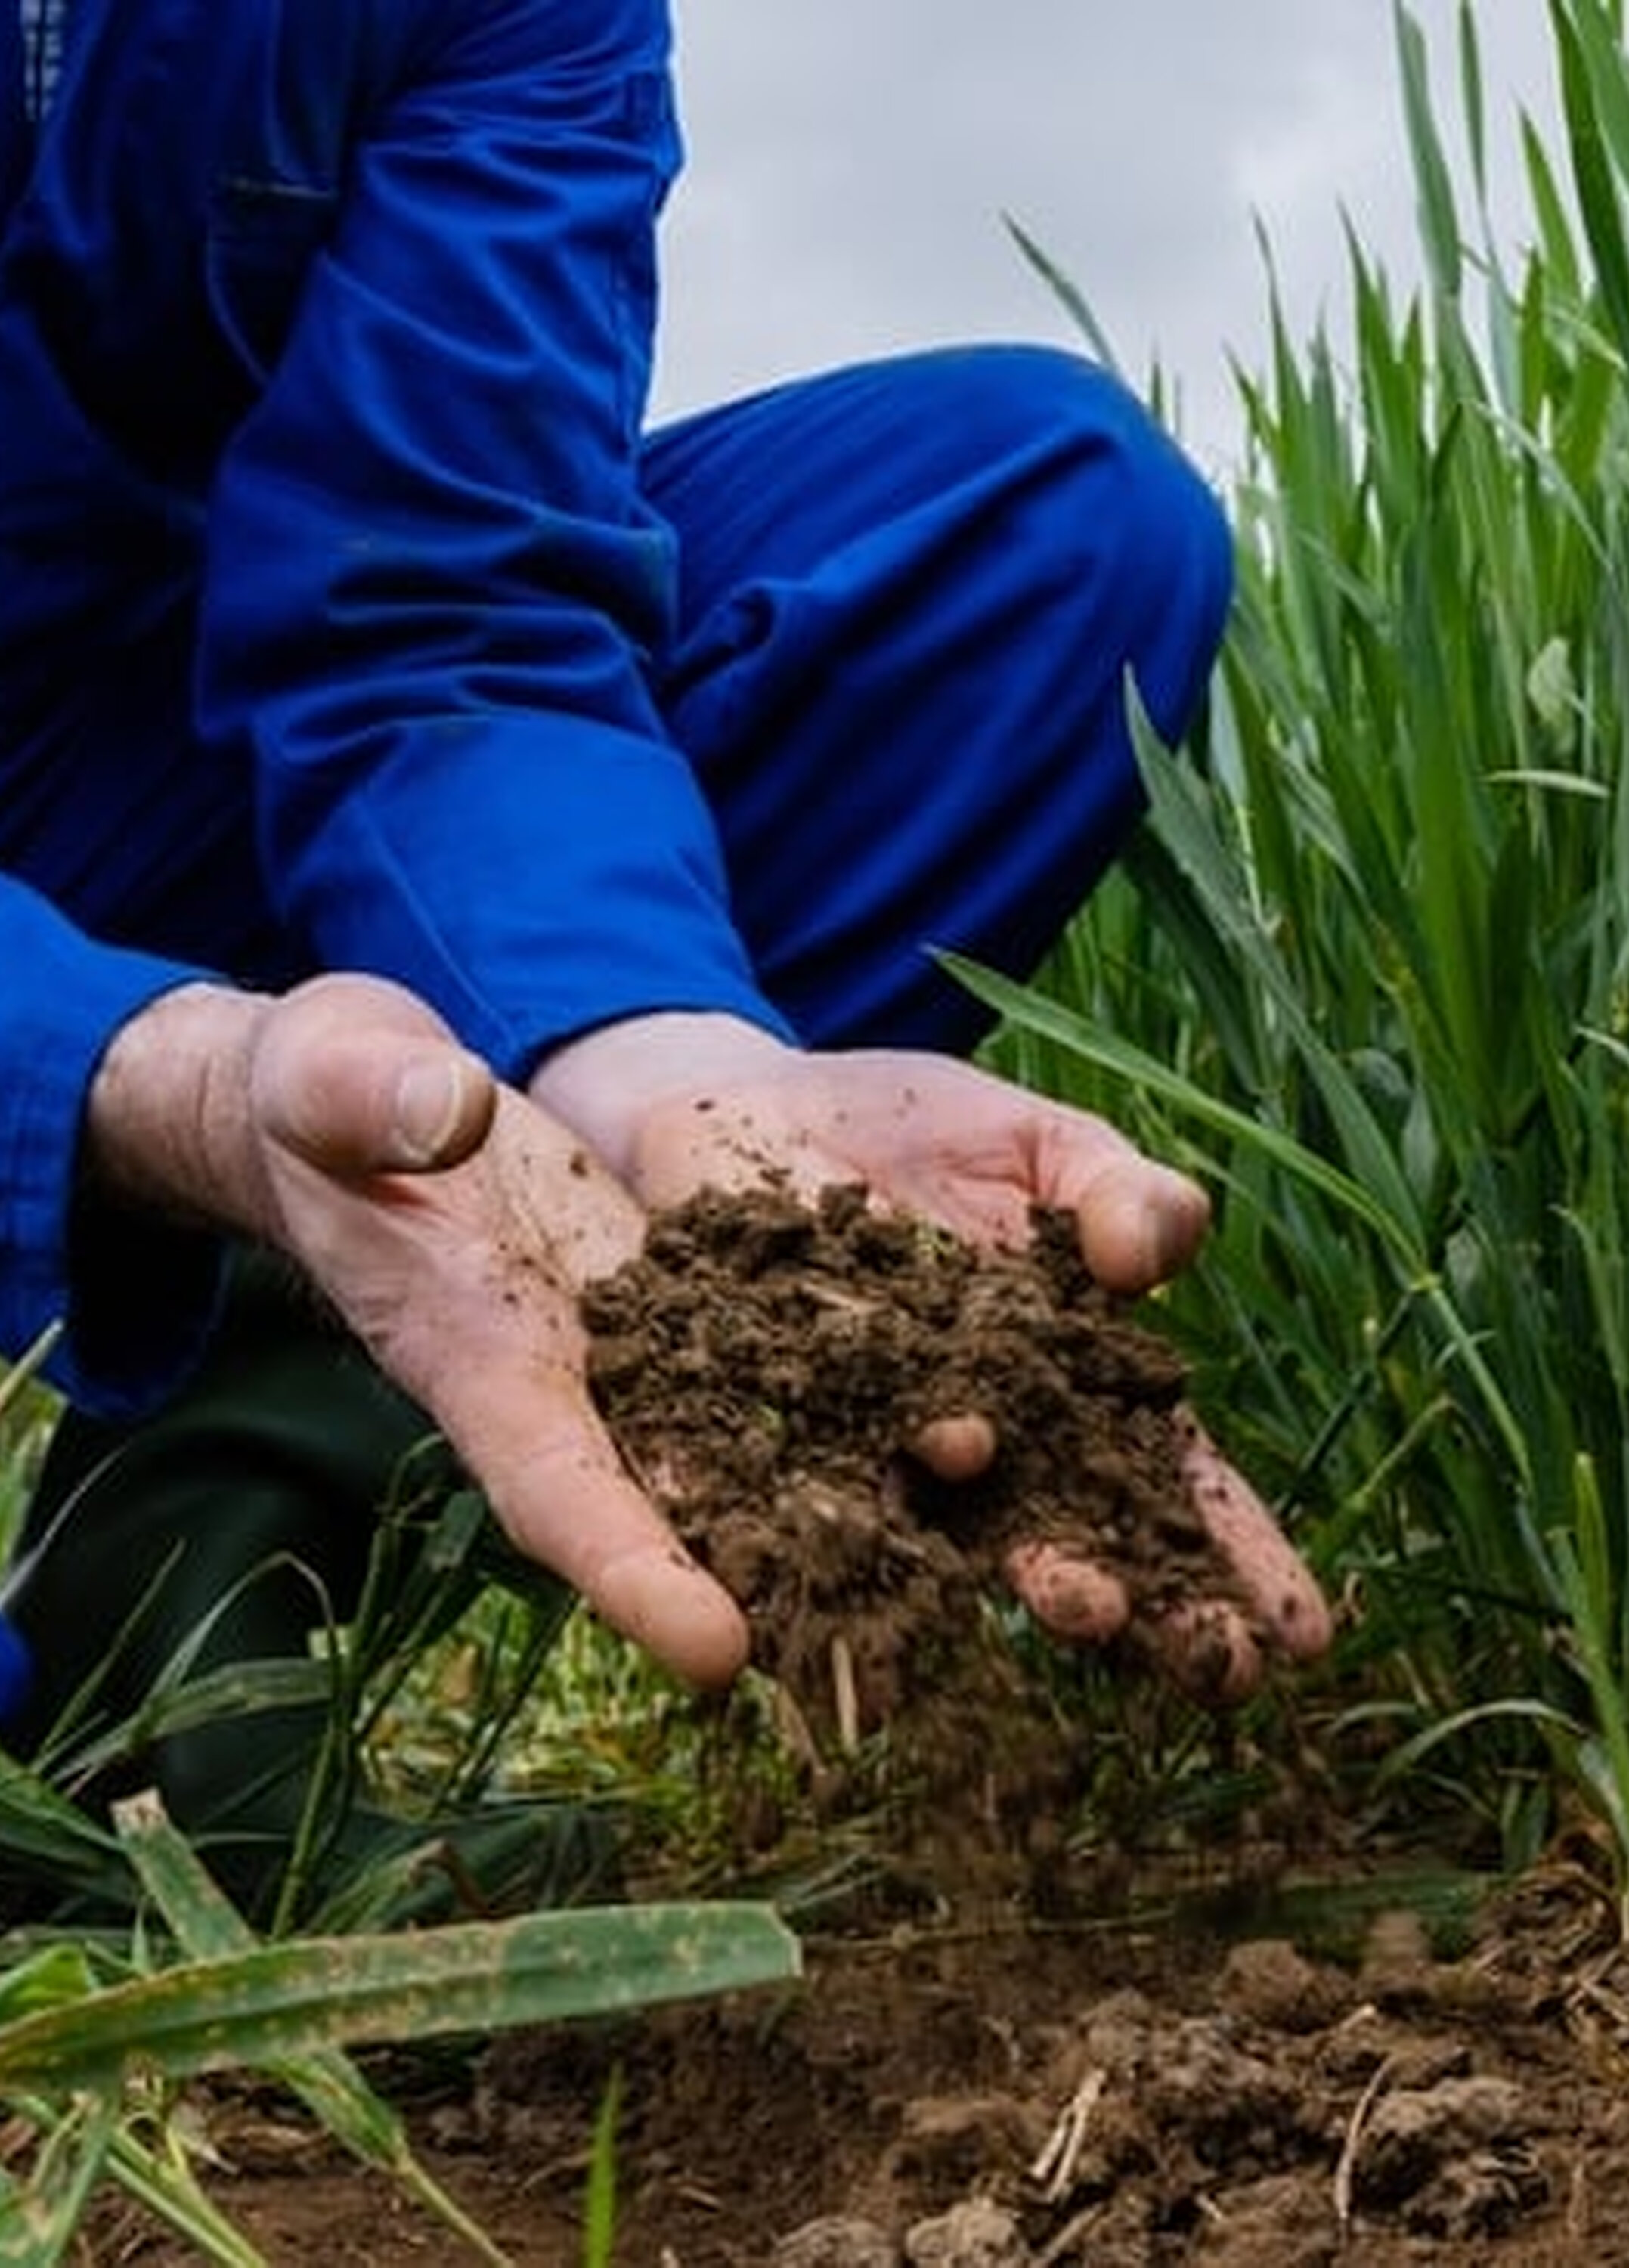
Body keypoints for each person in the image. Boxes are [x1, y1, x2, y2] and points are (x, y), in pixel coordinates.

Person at [0, 0, 1330, 1900]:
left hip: (137, 748)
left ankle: (202, 1575)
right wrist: (134, 1065)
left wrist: (654, 1047)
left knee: (1043, 531)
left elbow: (442, 604)